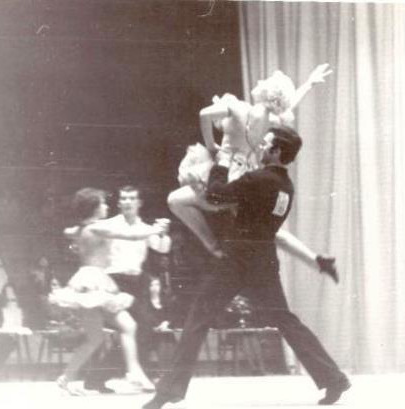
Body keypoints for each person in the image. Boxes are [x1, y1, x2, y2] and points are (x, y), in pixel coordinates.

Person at [143, 126, 350, 409]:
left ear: (277, 151)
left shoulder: (258, 179)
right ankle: (333, 378)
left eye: (265, 143)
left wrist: (221, 163)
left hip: (237, 259)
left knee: (199, 317)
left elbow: (216, 197)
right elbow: (271, 229)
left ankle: (169, 391)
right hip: (263, 259)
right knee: (285, 319)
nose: (260, 146)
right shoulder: (285, 187)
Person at [167, 64, 338, 281]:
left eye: (263, 84)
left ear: (267, 94)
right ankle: (316, 260)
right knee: (267, 231)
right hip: (245, 176)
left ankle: (214, 247)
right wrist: (308, 84)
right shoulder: (272, 119)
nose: (259, 83)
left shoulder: (238, 108)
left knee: (175, 201)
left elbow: (204, 115)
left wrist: (211, 147)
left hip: (225, 173)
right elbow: (289, 106)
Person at [50, 187, 169, 396]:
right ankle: (133, 372)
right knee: (127, 326)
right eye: (103, 203)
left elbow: (69, 232)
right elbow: (130, 235)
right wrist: (154, 230)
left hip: (88, 281)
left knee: (96, 337)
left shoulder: (84, 228)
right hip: (94, 281)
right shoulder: (97, 228)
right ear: (94, 208)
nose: (107, 206)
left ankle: (67, 378)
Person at [137, 275, 177, 378]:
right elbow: (144, 318)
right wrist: (155, 327)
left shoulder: (166, 300)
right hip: (148, 333)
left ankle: (166, 373)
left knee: (167, 339)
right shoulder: (143, 301)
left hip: (163, 332)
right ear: (147, 287)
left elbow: (172, 316)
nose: (155, 288)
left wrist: (166, 323)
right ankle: (153, 373)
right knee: (160, 339)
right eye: (152, 285)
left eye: (157, 284)